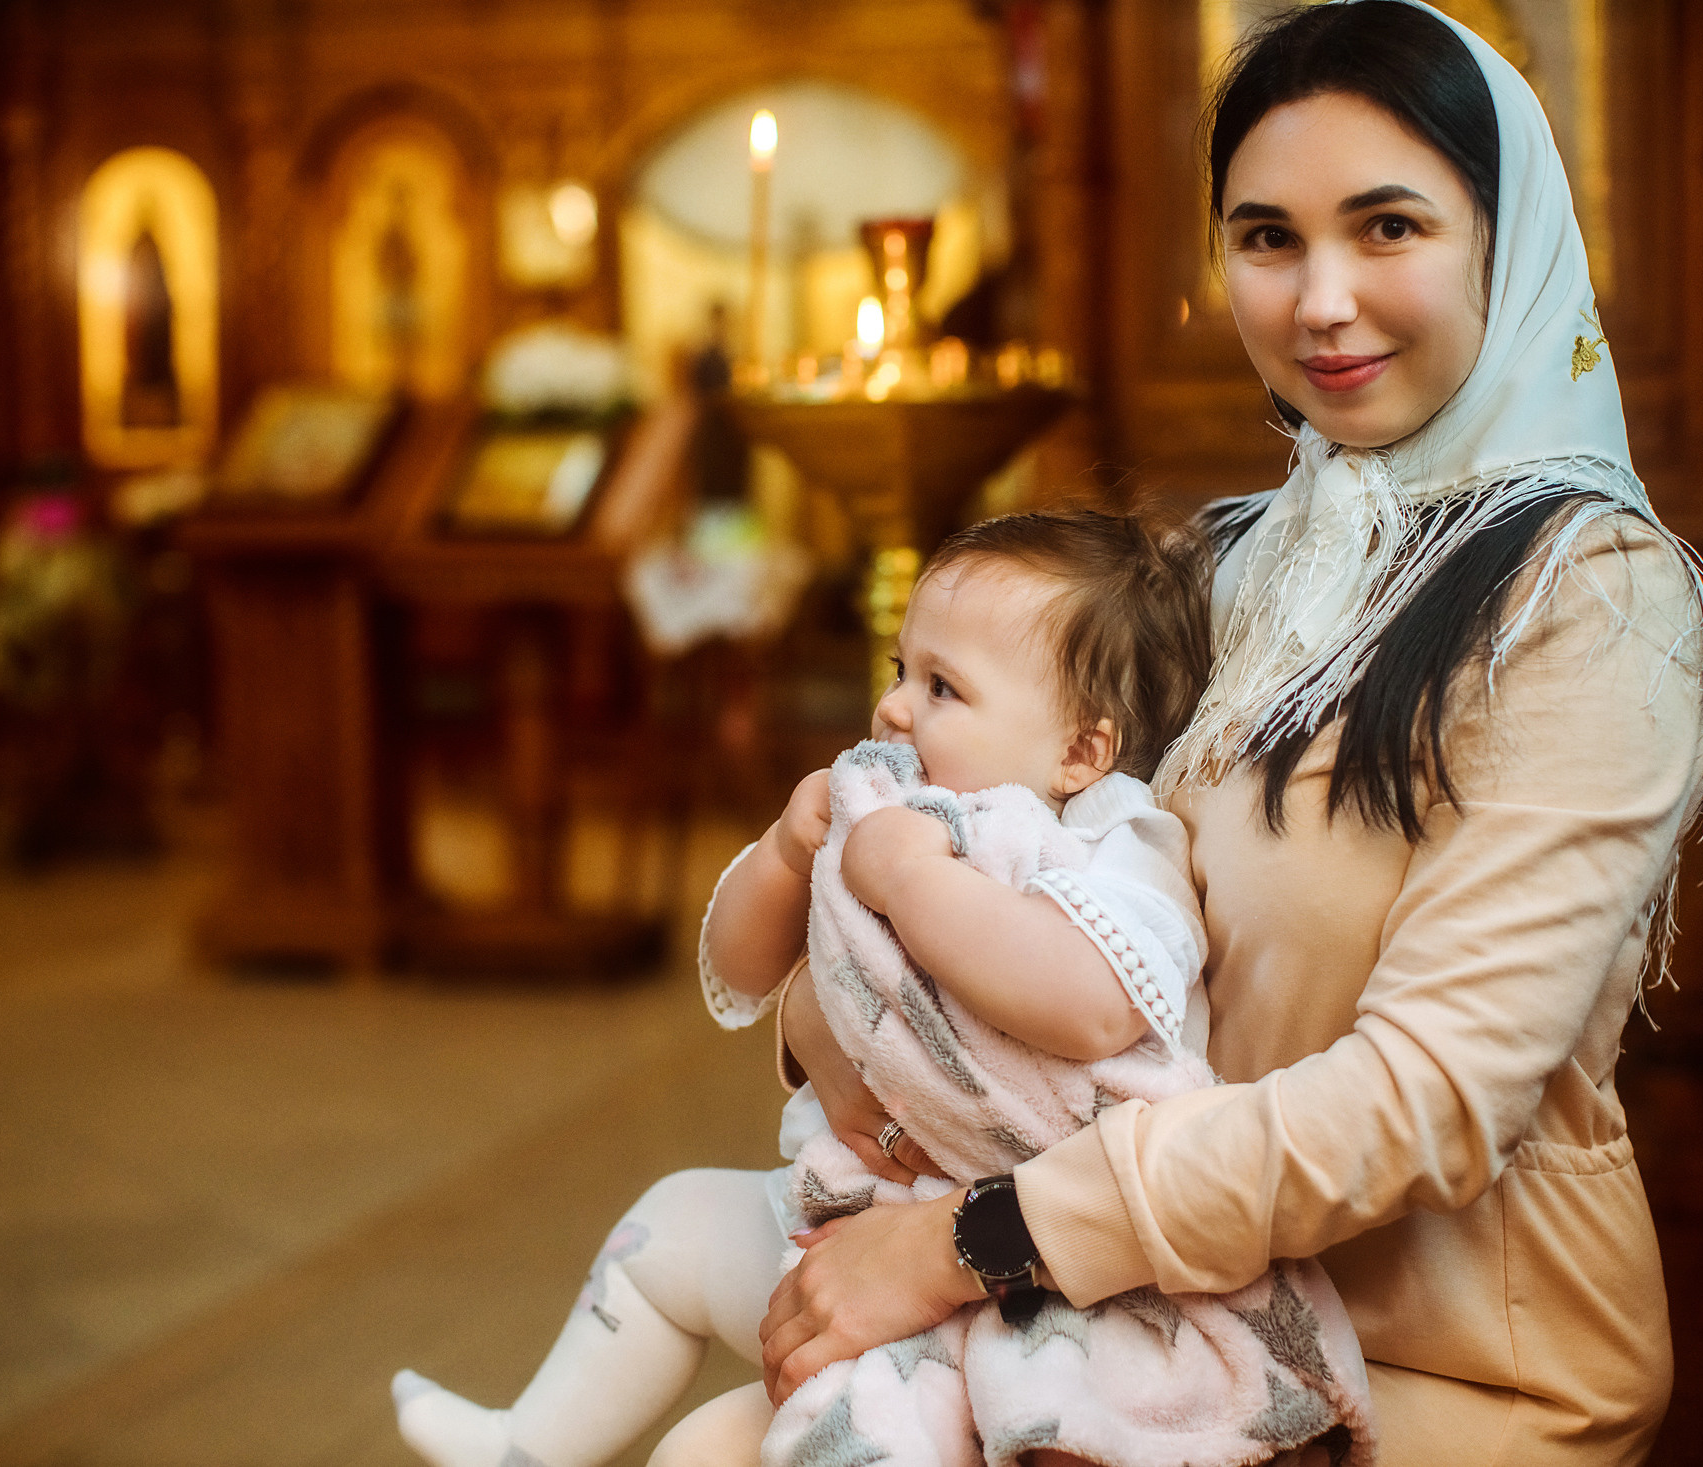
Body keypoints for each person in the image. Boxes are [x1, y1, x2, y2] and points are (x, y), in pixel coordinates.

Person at [751, 4, 1703, 1467]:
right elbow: (1035, 885)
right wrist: (852, 1008)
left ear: (1507, 233)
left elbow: (1428, 1097)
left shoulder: (1588, 601)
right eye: (1268, 237)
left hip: (1452, 1361)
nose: (1321, 301)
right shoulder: (1237, 559)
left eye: (1389, 226)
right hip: (1166, 1301)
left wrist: (973, 1239)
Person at [399, 510, 1353, 1467]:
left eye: (944, 687)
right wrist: (785, 852)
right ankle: (524, 1444)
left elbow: (1095, 1005)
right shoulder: (882, 806)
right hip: (853, 1212)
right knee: (670, 1225)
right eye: (902, 670)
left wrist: (912, 882)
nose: (895, 707)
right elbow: (738, 970)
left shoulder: (1115, 844)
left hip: (1044, 1277)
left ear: (1082, 752)